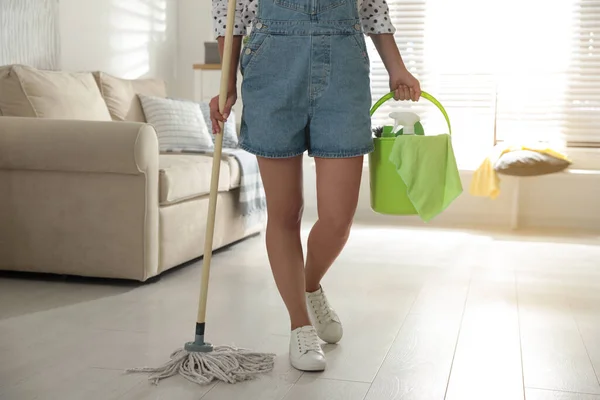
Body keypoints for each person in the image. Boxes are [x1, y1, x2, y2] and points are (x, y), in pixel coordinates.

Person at [210, 0, 421, 372]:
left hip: (344, 71)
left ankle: (308, 286)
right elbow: (231, 13)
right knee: (286, 212)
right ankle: (299, 325)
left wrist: (397, 67)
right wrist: (227, 84)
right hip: (271, 70)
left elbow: (372, 7)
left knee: (339, 218)